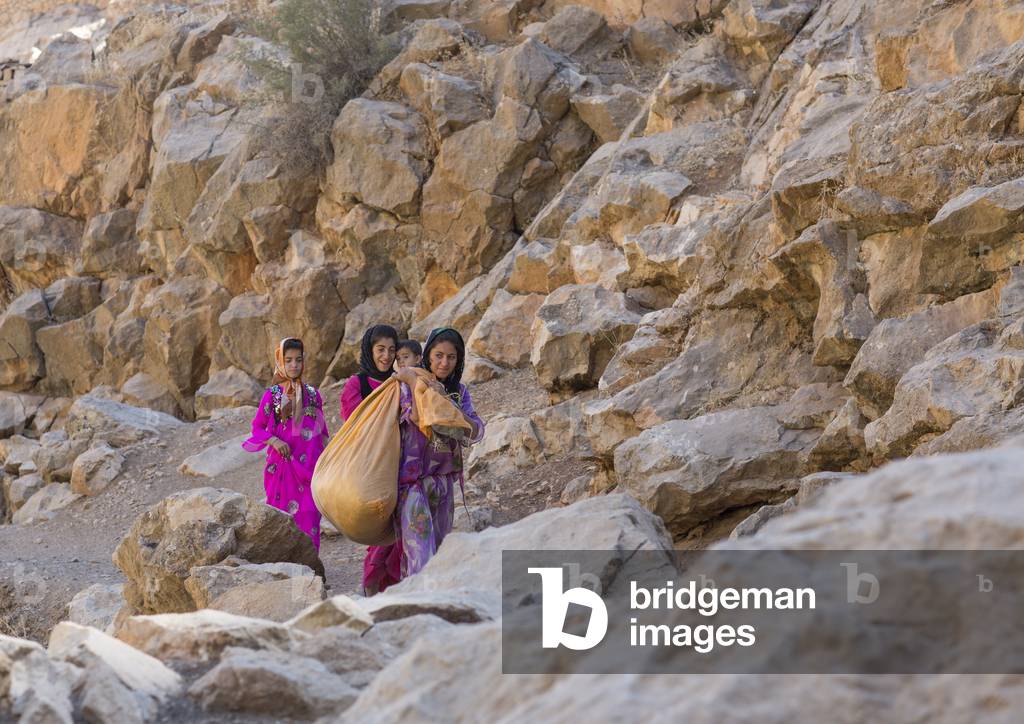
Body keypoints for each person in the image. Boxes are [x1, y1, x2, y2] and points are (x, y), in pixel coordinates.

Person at [362, 327, 485, 595]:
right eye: (439, 355)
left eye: (451, 357)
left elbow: (476, 430)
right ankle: (416, 605)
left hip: (443, 484)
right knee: (419, 555)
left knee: (439, 553)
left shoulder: (459, 392)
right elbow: (418, 418)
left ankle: (432, 607)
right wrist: (416, 383)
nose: (444, 363)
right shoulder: (408, 383)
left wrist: (454, 412)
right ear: (428, 356)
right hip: (411, 485)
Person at [242, 337, 328, 551]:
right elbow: (257, 428)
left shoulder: (312, 395)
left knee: (310, 516)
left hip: (309, 470)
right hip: (282, 469)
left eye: (298, 360)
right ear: (280, 362)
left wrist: (329, 460)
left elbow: (322, 432)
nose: (294, 365)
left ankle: (310, 565)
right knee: (282, 521)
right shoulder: (272, 396)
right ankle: (284, 566)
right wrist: (274, 440)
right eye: (288, 360)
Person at [340, 325, 399, 422]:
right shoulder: (356, 384)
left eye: (392, 350)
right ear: (370, 350)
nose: (387, 356)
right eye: (381, 349)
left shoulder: (398, 380)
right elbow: (354, 424)